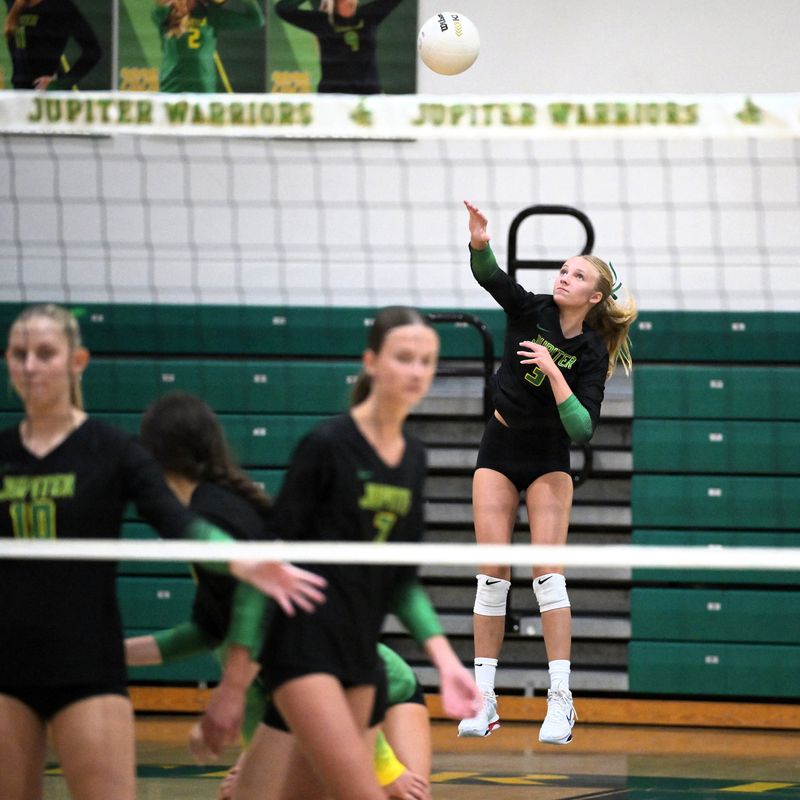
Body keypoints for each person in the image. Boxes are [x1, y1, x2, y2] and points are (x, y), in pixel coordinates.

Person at [0, 304, 326, 800]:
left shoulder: (111, 451)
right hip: (10, 666)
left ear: (77, 360)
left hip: (88, 665)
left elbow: (181, 523)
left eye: (45, 353)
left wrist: (238, 558)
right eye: (19, 354)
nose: (30, 366)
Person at [125, 391, 431, 799]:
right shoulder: (214, 516)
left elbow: (277, 632)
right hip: (300, 682)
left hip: (360, 678)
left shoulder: (212, 520)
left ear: (152, 457)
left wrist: (386, 767)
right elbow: (206, 631)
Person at [232, 305, 482, 800]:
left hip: (360, 651)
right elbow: (267, 558)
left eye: (427, 361)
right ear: (371, 362)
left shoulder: (414, 458)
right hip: (304, 647)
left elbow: (402, 581)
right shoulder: (326, 445)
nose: (416, 372)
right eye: (404, 358)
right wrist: (233, 683)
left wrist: (447, 661)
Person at [457, 201, 637, 745]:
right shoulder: (528, 308)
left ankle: (562, 700)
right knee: (492, 576)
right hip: (500, 445)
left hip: (548, 461)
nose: (565, 275)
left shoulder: (590, 353)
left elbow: (582, 430)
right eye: (563, 268)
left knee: (547, 575)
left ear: (595, 296)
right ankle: (483, 698)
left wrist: (556, 376)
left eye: (577, 274)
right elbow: (490, 277)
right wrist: (480, 243)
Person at [274, 0, 406, 94]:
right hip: (333, 97)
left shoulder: (367, 16)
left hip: (368, 94)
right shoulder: (323, 21)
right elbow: (283, 9)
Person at [153, 0, 265, 93]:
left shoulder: (212, 15)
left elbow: (256, 20)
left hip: (202, 91)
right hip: (172, 89)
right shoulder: (167, 13)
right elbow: (160, 8)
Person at [3, 0, 102, 90]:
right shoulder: (13, 4)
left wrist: (60, 83)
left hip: (47, 95)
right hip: (20, 94)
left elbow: (93, 50)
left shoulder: (59, 6)